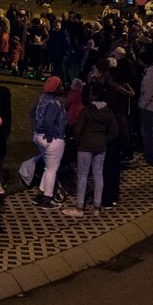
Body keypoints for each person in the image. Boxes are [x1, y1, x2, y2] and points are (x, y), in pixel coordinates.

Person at [63, 84, 119, 217]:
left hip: (85, 147)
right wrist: (103, 139)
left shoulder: (86, 111)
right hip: (101, 147)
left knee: (82, 176)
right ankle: (97, 208)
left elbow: (77, 131)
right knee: (98, 176)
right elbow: (115, 131)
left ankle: (79, 208)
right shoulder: (108, 111)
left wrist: (77, 141)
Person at [30, 76, 68, 209]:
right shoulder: (54, 103)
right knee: (52, 169)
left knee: (48, 167)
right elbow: (48, 121)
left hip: (38, 136)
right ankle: (47, 199)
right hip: (52, 138)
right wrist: (50, 136)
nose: (63, 88)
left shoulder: (42, 99)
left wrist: (36, 129)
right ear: (55, 87)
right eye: (60, 86)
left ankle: (40, 195)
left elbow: (32, 114)